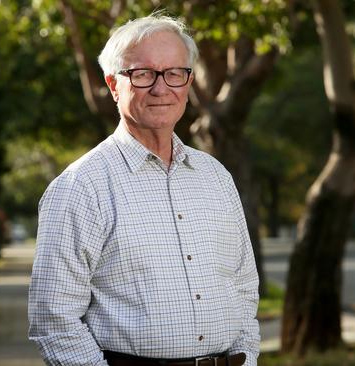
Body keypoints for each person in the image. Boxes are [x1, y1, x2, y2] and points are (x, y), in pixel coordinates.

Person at [28, 14, 259, 366]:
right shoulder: (80, 188)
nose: (161, 88)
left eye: (174, 73)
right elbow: (54, 319)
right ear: (112, 84)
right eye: (143, 74)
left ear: (188, 81)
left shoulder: (216, 177)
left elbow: (243, 288)